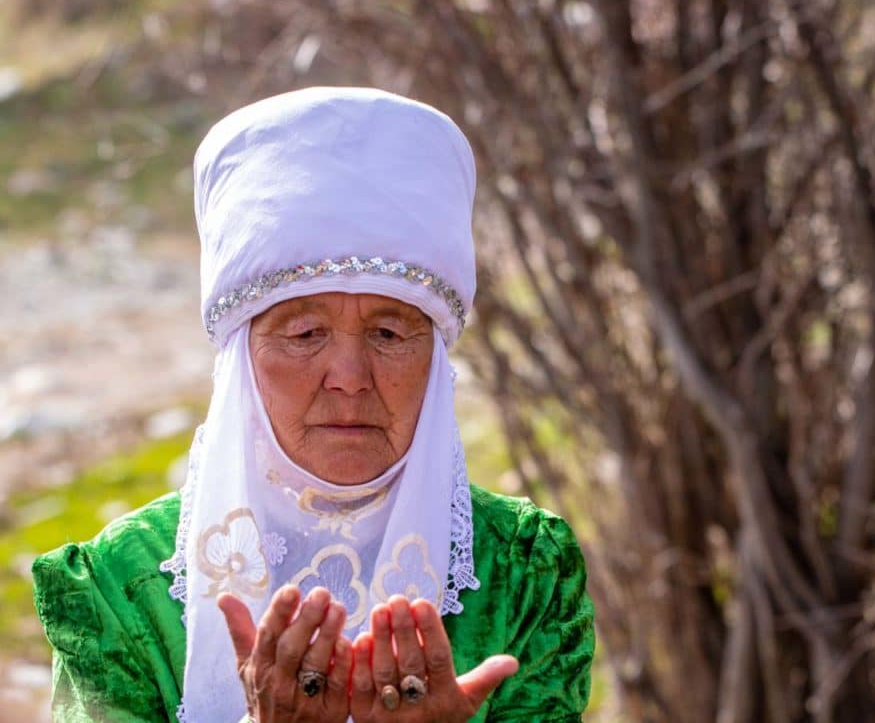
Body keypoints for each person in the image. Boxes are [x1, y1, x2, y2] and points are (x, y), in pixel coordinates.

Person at [32, 87, 594, 722]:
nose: (350, 378)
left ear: (436, 360)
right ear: (241, 360)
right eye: (304, 334)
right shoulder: (121, 592)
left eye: (389, 333)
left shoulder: (525, 574)